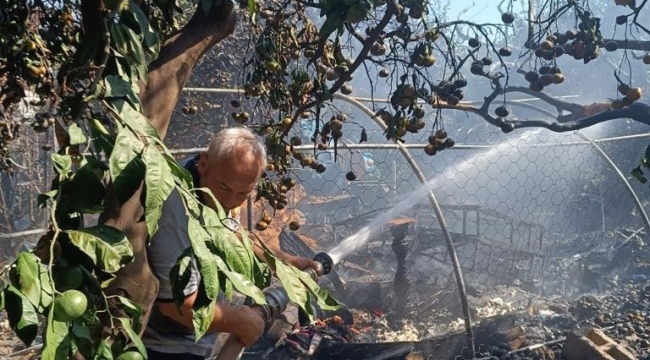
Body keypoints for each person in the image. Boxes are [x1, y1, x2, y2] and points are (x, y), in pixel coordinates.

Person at [142, 127, 322, 359]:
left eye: (243, 194)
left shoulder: (213, 179)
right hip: (165, 345)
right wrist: (241, 322)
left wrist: (286, 262)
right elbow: (177, 306)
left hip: (196, 335)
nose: (229, 201)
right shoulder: (175, 211)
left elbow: (230, 234)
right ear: (204, 163)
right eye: (224, 188)